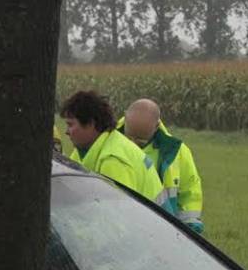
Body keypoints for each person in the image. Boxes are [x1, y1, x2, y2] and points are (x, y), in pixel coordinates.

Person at [60, 91, 165, 206]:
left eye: (70, 125)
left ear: (91, 124)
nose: (66, 132)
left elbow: (117, 215)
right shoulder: (85, 149)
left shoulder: (113, 160)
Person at [120, 99, 205, 233]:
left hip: (163, 232)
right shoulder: (105, 144)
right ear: (125, 117)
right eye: (129, 138)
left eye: (141, 141)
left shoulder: (178, 152)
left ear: (157, 126)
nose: (133, 145)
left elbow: (190, 191)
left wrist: (190, 228)